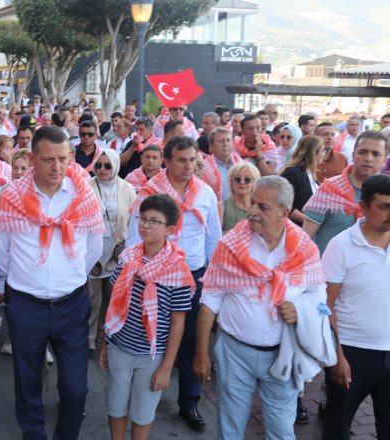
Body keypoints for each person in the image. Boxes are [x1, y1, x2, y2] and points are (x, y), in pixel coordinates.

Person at [0, 126, 104, 439]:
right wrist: (31, 277)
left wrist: (67, 275)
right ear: (31, 158)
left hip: (72, 304)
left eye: (63, 159)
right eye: (49, 159)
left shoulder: (83, 195)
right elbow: (0, 253)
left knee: (76, 388)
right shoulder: (10, 197)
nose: (57, 167)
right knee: (27, 383)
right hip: (27, 306)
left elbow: (93, 247)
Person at [195, 176, 326, 439]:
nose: (252, 211)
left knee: (281, 431)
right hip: (234, 352)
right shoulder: (230, 245)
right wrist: (201, 353)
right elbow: (210, 299)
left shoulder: (304, 249)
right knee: (230, 429)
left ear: (284, 213)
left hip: (283, 354)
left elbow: (319, 296)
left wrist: (299, 308)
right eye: (253, 203)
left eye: (262, 207)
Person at [127, 136, 222, 432]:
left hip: (191, 277)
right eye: (181, 160)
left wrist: (209, 278)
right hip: (154, 275)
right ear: (167, 161)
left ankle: (189, 402)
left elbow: (212, 238)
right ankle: (144, 399)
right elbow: (135, 234)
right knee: (149, 337)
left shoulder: (205, 193)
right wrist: (136, 274)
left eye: (193, 160)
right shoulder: (150, 192)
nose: (188, 166)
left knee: (191, 340)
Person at [101, 194, 194, 440]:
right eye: (142, 219)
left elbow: (177, 321)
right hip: (119, 347)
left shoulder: (177, 269)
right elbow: (113, 304)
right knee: (116, 406)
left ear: (170, 229)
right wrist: (104, 343)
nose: (146, 225)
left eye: (154, 221)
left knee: (143, 412)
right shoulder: (128, 257)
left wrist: (166, 367)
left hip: (151, 355)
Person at [321, 173, 390, 439]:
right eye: (384, 207)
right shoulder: (341, 246)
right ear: (363, 207)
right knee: (338, 427)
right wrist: (337, 357)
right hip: (352, 353)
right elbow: (326, 306)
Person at [303, 131, 386, 253]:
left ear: (384, 160)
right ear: (353, 155)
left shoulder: (386, 194)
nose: (368, 159)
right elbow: (305, 237)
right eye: (363, 152)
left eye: (376, 154)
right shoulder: (330, 189)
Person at [87, 149, 136, 352]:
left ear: (116, 166)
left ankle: (104, 335)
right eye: (99, 165)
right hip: (93, 249)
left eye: (108, 165)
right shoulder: (87, 187)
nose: (103, 169)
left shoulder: (127, 188)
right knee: (93, 298)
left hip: (116, 250)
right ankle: (88, 338)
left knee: (112, 296)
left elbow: (133, 220)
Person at [280, 135, 324, 225]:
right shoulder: (293, 173)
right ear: (314, 153)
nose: (324, 153)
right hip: (295, 228)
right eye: (322, 150)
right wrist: (310, 221)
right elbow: (284, 205)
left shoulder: (310, 173)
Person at [201, 128, 241, 203]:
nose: (225, 144)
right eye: (220, 141)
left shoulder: (240, 162)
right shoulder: (204, 168)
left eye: (228, 140)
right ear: (211, 147)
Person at [222, 162, 260, 233]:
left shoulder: (260, 207)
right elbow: (215, 235)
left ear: (254, 183)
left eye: (247, 179)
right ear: (231, 182)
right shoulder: (222, 206)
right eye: (237, 179)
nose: (242, 182)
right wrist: (238, 231)